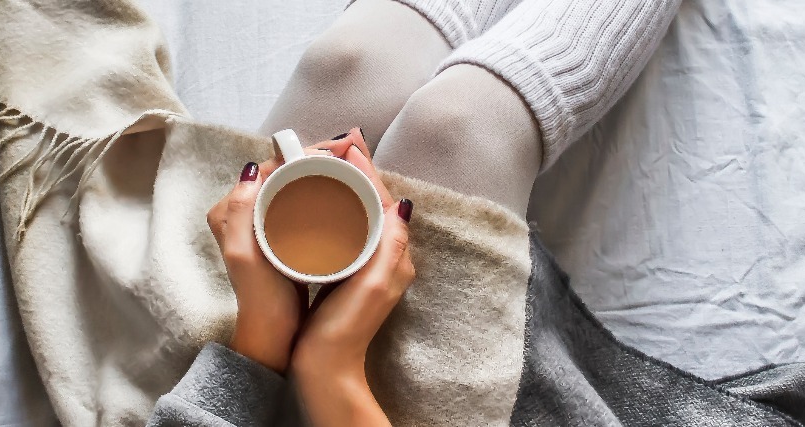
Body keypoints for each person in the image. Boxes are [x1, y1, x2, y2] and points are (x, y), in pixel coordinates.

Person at [149, 0, 680, 424]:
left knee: (346, 65)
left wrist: (257, 347)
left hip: (201, 392)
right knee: (454, 129)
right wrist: (329, 369)